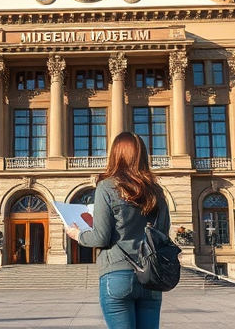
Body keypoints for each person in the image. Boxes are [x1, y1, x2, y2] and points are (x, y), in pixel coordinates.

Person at [66, 132, 169, 329]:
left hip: (117, 274)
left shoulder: (107, 187)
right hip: (151, 276)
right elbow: (163, 233)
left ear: (116, 154)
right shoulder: (157, 191)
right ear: (142, 156)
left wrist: (77, 234)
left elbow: (101, 237)